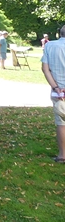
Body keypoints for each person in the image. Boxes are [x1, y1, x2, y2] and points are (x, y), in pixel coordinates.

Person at [41, 25, 65, 162]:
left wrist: (56, 87)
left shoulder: (50, 46)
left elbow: (45, 69)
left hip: (58, 93)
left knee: (61, 123)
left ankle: (62, 155)